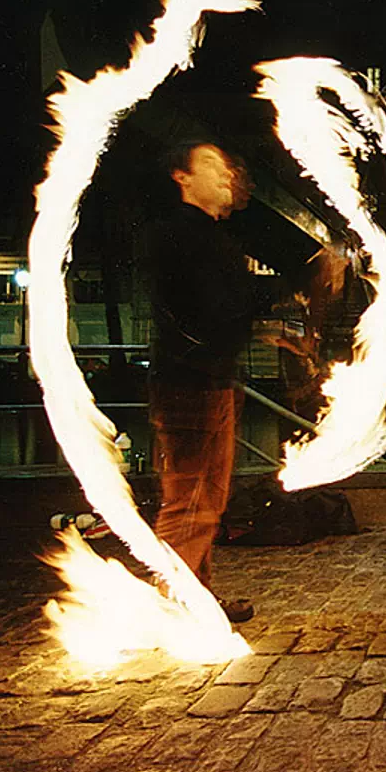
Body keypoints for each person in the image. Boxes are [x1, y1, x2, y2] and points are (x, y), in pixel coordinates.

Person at [146, 141, 256, 623]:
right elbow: (212, 309)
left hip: (213, 381)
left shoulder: (212, 237)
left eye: (226, 165)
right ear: (181, 177)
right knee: (189, 499)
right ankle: (170, 608)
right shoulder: (175, 235)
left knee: (208, 500)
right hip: (189, 385)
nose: (225, 174)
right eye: (210, 165)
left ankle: (198, 598)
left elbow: (230, 310)